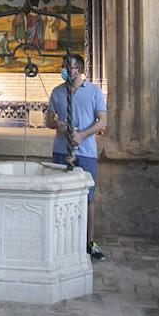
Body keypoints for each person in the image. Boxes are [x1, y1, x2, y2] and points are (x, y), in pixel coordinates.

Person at [45, 52, 109, 261]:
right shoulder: (56, 92)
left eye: (70, 66)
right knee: (59, 197)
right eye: (63, 66)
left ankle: (89, 243)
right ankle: (61, 242)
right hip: (61, 151)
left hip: (86, 153)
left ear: (79, 69)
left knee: (88, 198)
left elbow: (102, 121)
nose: (65, 70)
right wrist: (59, 125)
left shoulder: (93, 91)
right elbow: (49, 121)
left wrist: (81, 135)